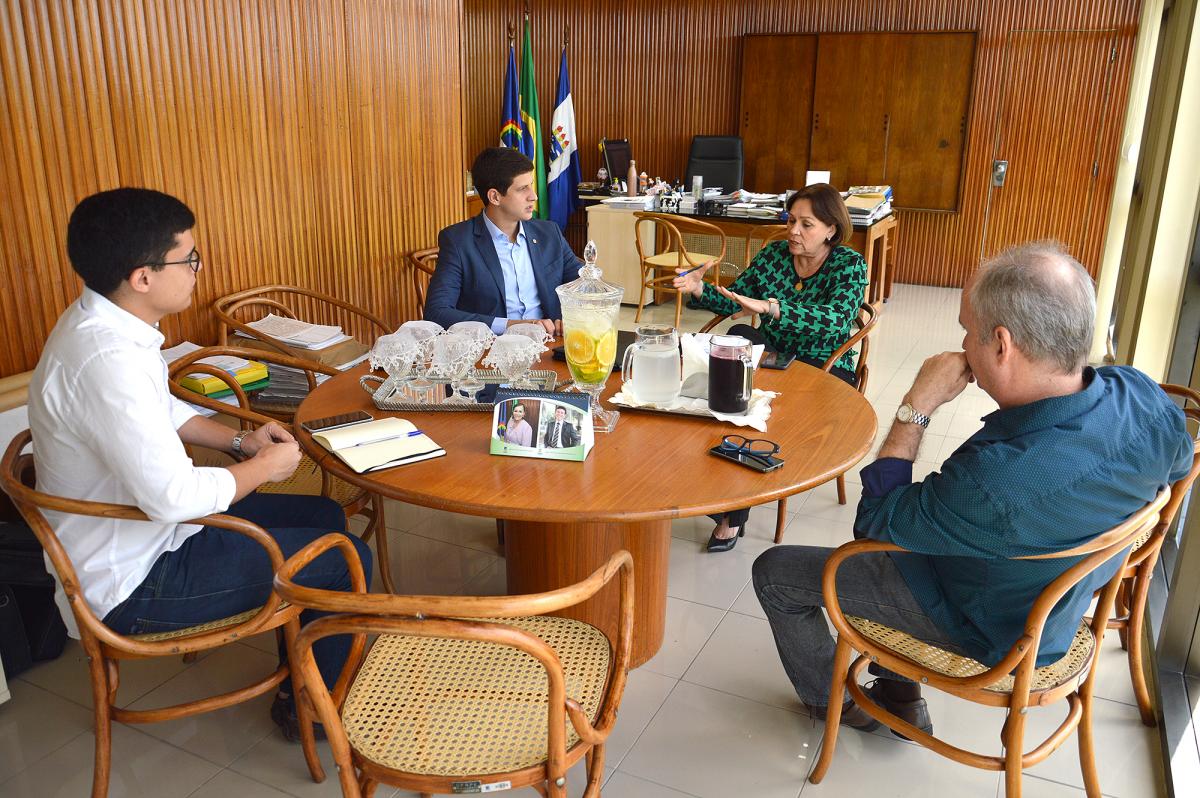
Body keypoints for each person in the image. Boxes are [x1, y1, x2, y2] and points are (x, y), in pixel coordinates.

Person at [751, 241, 1193, 737]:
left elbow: (875, 525)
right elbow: (1178, 468)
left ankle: (833, 705)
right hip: (1064, 599)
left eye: (967, 333)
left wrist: (916, 405)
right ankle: (899, 691)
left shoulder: (995, 483)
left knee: (776, 572)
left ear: (1002, 345)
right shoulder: (1140, 394)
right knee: (922, 532)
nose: (962, 347)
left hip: (988, 625)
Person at [27, 188, 373, 742]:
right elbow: (172, 497)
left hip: (152, 534)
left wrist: (242, 443)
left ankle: (305, 672)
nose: (197, 269)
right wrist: (265, 468)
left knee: (326, 518)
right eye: (188, 258)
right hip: (134, 581)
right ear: (143, 277)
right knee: (344, 557)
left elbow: (166, 410)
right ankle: (314, 710)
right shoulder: (106, 359)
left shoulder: (106, 322)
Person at [672, 183, 867, 552]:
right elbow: (737, 299)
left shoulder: (849, 265)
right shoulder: (774, 255)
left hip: (823, 366)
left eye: (806, 224)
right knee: (739, 345)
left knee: (756, 404)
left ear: (831, 230)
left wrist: (774, 308)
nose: (793, 231)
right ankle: (718, 485)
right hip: (776, 356)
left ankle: (733, 514)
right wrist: (699, 289)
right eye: (791, 220)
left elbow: (837, 321)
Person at [426, 147, 582, 336]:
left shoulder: (549, 233)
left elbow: (583, 284)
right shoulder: (458, 241)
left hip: (551, 344)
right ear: (495, 197)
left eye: (531, 185)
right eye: (522, 188)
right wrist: (510, 325)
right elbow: (437, 312)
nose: (534, 196)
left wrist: (572, 319)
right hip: (492, 351)